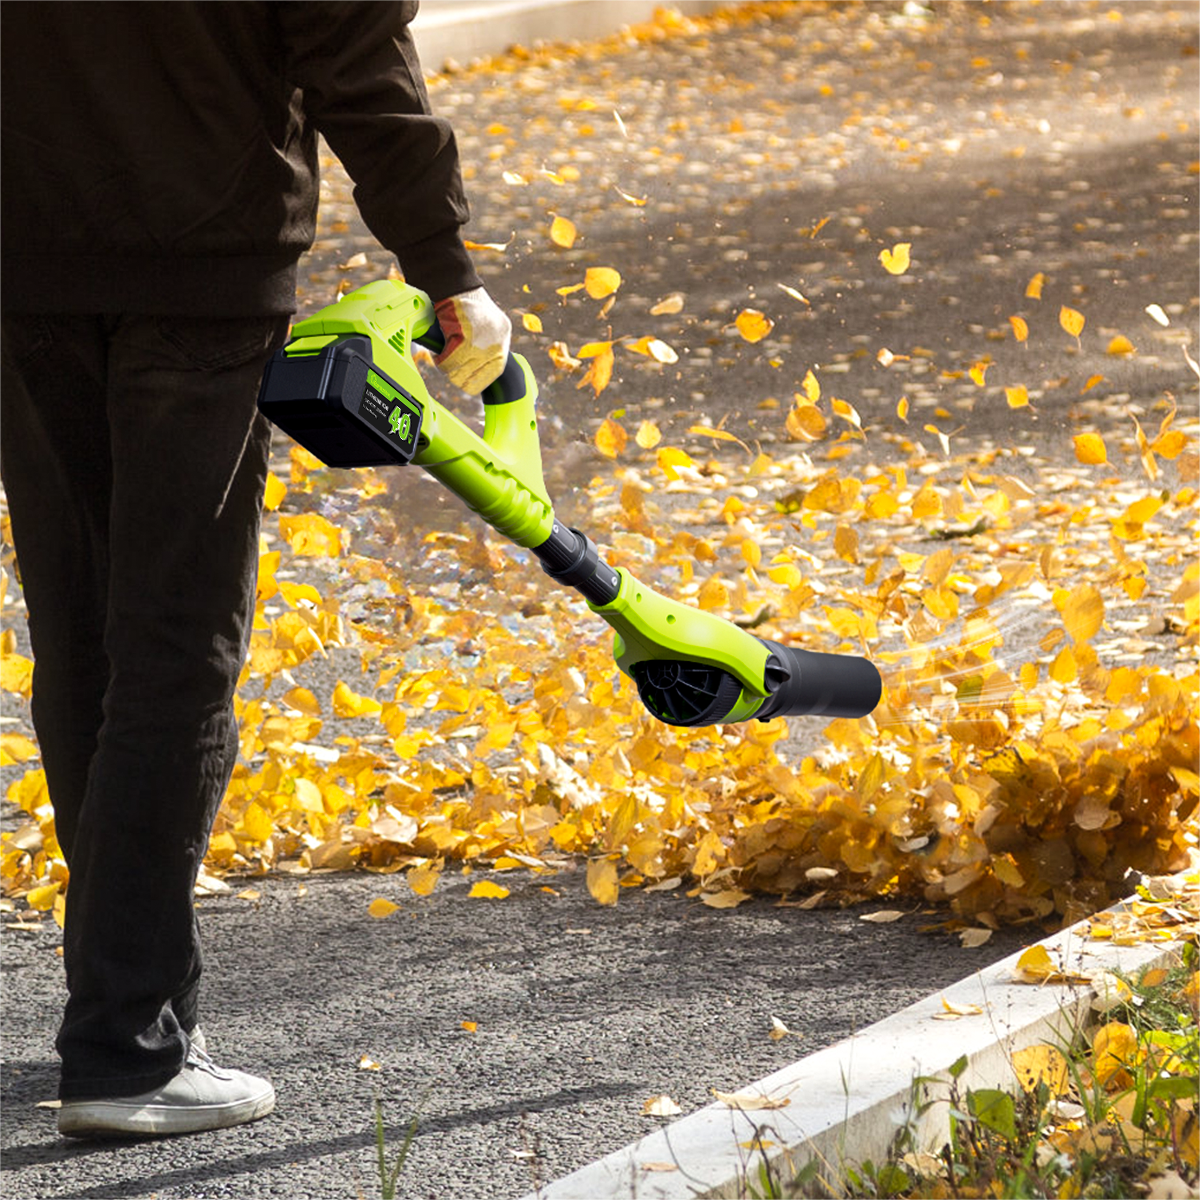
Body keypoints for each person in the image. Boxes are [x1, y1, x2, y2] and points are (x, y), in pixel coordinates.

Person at [0, 0, 511, 1139]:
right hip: (202, 270)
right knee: (175, 652)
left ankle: (137, 1014)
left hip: (23, 270)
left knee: (83, 638)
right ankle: (125, 1051)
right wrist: (444, 266)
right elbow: (359, 64)